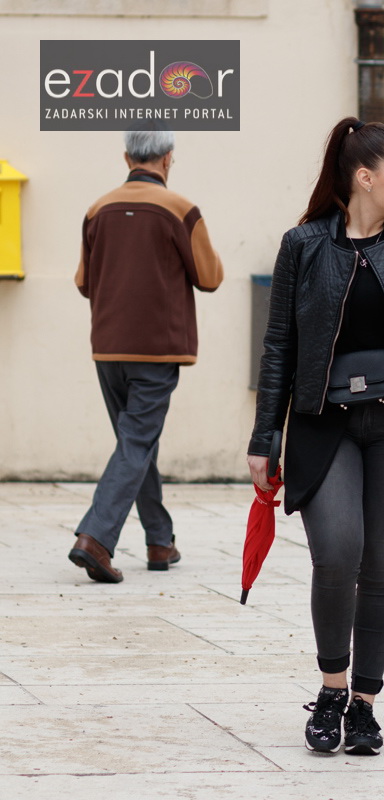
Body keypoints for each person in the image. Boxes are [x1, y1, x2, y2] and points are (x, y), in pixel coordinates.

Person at [247, 118, 384, 755]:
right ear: (365, 178)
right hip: (324, 424)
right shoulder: (304, 244)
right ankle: (331, 688)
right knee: (338, 551)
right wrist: (264, 436)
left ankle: (365, 705)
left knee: (382, 567)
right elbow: (279, 347)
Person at [68, 124, 224, 584]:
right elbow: (210, 277)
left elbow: (83, 283)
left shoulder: (97, 209)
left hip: (108, 347)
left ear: (126, 158)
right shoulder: (181, 209)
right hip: (157, 350)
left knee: (135, 444)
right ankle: (95, 538)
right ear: (168, 157)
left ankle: (160, 541)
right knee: (136, 443)